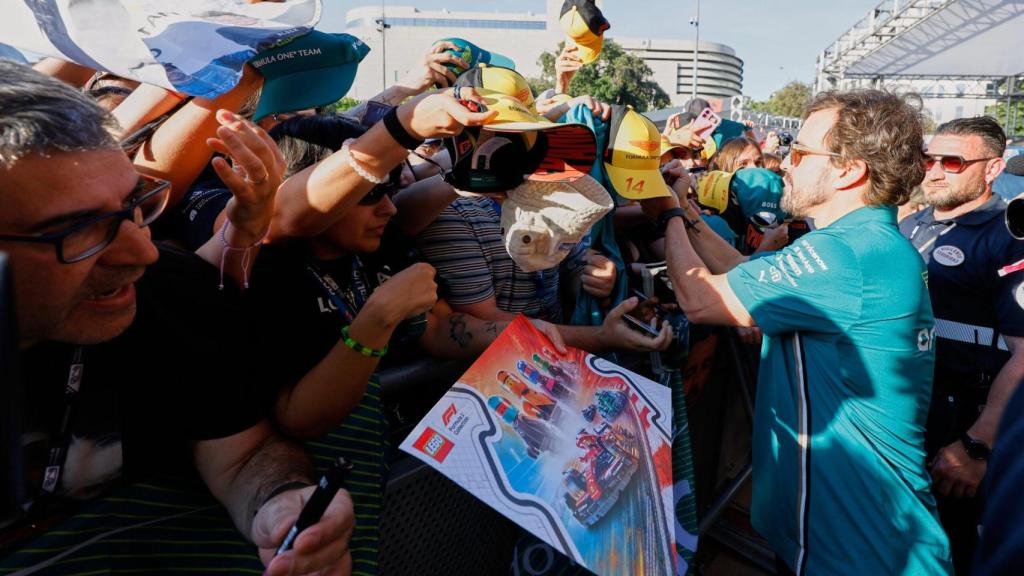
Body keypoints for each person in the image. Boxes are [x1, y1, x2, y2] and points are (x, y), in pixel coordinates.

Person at [0, 61, 351, 576]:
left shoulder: (161, 293)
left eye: (134, 205)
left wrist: (280, 503)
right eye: (77, 230)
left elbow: (242, 454)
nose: (140, 253)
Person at [641, 89, 952, 574]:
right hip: (854, 535)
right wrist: (693, 215)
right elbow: (745, 273)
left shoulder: (846, 253)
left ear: (850, 170)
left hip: (864, 546)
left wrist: (669, 214)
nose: (786, 162)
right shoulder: (862, 243)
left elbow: (702, 298)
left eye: (803, 152)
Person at [899, 116, 1024, 574]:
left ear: (993, 169)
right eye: (928, 159)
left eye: (951, 162)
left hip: (964, 429)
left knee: (954, 553)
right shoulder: (913, 225)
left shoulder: (1009, 236)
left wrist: (978, 444)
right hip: (914, 418)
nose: (933, 171)